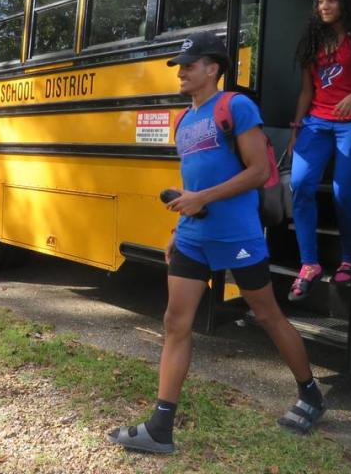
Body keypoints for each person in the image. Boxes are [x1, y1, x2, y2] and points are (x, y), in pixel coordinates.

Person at [108, 31, 325, 454]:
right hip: (194, 237)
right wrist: (177, 230)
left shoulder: (235, 107)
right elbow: (194, 180)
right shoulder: (184, 121)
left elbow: (259, 171)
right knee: (175, 322)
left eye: (191, 64)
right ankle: (160, 427)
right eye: (180, 66)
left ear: (214, 68)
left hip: (237, 236)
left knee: (267, 316)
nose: (182, 71)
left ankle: (311, 392)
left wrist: (201, 199)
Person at [286, 0, 351, 301]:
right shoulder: (312, 44)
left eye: (331, 0)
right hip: (317, 121)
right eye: (320, 1)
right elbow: (307, 91)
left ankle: (349, 258)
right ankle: (309, 264)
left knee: (343, 192)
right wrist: (295, 129)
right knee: (301, 184)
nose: (324, 6)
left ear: (345, 2)